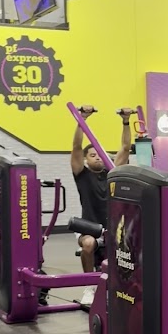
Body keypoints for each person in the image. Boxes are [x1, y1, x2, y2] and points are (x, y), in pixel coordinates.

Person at [71, 106, 132, 305]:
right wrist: (82, 119)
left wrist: (125, 121)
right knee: (89, 244)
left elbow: (125, 148)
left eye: (99, 154)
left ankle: (123, 286)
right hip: (89, 226)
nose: (97, 157)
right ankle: (90, 286)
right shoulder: (81, 174)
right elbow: (77, 147)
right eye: (92, 155)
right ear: (86, 160)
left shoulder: (112, 172)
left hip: (112, 227)